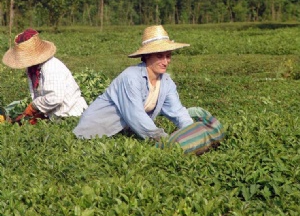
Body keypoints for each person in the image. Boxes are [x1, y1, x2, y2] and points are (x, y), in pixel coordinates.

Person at [73, 25, 225, 156]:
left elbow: (177, 111)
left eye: (168, 56)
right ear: (147, 56)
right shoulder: (130, 77)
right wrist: (163, 139)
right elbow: (136, 115)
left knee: (190, 115)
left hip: (126, 133)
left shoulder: (166, 82)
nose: (165, 61)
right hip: (96, 133)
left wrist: (191, 132)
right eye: (160, 56)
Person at [2, 28, 88, 124]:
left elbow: (55, 97)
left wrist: (33, 107)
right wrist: (38, 114)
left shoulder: (51, 67)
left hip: (71, 116)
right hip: (54, 116)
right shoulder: (33, 69)